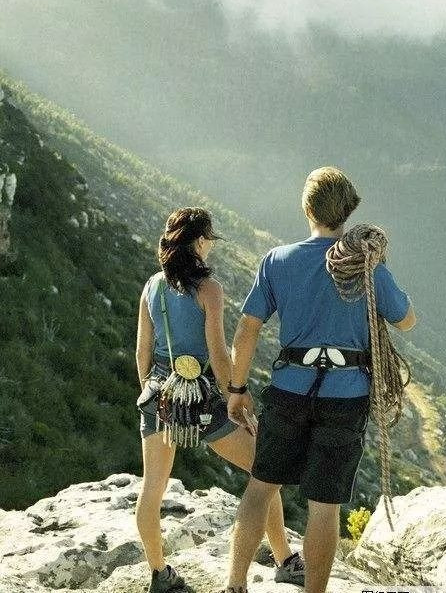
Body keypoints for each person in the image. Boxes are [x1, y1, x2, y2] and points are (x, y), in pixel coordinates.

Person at [217, 167, 416, 593]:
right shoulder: (365, 267)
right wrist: (381, 273)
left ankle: (234, 584)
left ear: (306, 208)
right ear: (349, 211)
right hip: (346, 396)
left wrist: (236, 388)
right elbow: (405, 320)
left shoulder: (278, 260)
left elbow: (247, 328)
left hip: (289, 390)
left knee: (261, 487)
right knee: (324, 507)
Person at [135, 207, 305, 593]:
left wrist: (152, 394)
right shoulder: (208, 289)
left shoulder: (152, 286)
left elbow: (142, 353)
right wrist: (238, 399)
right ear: (199, 242)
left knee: (151, 489)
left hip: (159, 395)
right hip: (205, 399)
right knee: (265, 470)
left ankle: (160, 573)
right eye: (209, 238)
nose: (211, 245)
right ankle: (284, 560)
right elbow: (217, 352)